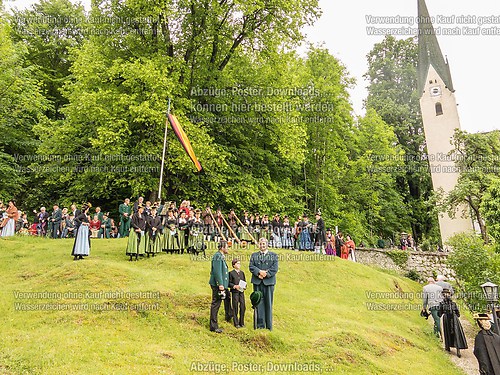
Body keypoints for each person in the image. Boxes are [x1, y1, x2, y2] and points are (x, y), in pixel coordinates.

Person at [249, 237, 279, 330]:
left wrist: (266, 274)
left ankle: (269, 326)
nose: (262, 246)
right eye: (260, 244)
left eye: (264, 244)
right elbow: (251, 266)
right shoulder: (254, 255)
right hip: (258, 282)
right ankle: (259, 325)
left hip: (268, 283)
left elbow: (275, 268)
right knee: (258, 303)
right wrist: (259, 272)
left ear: (267, 244)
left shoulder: (273, 255)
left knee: (268, 304)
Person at [209, 240, 232, 333]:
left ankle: (229, 316)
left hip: (223, 284)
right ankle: (213, 326)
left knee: (228, 298)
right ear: (222, 248)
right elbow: (217, 271)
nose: (228, 248)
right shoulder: (217, 256)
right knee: (216, 304)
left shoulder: (221, 256)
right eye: (227, 246)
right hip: (218, 285)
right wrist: (220, 284)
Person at [438, 288, 467, 357]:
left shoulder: (453, 304)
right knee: (448, 332)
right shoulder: (442, 304)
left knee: (456, 333)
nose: (446, 295)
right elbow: (439, 314)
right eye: (445, 294)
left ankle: (457, 349)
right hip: (448, 318)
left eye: (447, 294)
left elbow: (458, 313)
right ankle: (448, 347)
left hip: (453, 318)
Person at [229, 259, 246, 328]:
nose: (239, 265)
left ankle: (241, 322)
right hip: (235, 292)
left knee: (243, 306)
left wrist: (244, 286)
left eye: (239, 263)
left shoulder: (242, 273)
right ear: (234, 265)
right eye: (237, 263)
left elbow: (244, 281)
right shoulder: (231, 273)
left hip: (241, 292)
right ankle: (236, 323)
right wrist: (234, 286)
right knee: (235, 306)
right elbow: (229, 283)